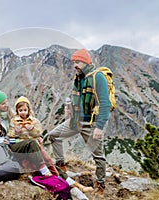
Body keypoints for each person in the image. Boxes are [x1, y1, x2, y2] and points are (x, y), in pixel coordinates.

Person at [47, 48, 111, 196]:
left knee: (98, 156)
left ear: (86, 62)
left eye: (78, 61)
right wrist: (69, 108)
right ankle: (61, 166)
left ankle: (100, 185)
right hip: (75, 121)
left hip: (91, 124)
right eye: (74, 62)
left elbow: (105, 104)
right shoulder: (78, 77)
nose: (75, 64)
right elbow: (75, 97)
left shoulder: (98, 77)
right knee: (53, 136)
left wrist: (100, 127)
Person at [0, 88, 52, 176]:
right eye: (3, 103)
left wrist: (36, 134)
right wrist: (11, 140)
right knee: (31, 144)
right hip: (4, 147)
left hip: (17, 143)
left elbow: (28, 121)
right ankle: (45, 170)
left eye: (6, 101)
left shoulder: (12, 113)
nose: (7, 105)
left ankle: (57, 173)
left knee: (35, 144)